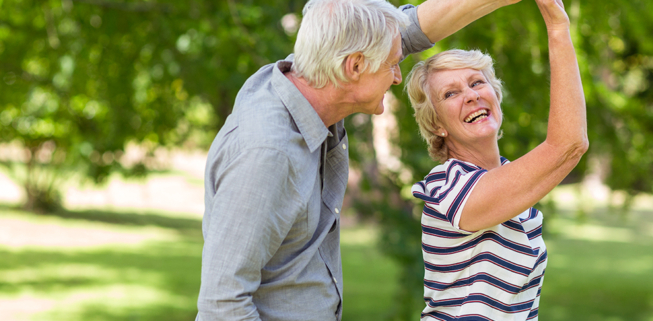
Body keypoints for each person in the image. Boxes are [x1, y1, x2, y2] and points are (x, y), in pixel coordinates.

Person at [196, 0, 522, 320]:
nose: (397, 77)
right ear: (354, 67)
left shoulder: (315, 72)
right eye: (392, 65)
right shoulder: (268, 154)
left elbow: (408, 31)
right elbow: (222, 305)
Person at [405, 0, 587, 319]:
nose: (471, 95)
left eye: (477, 83)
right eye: (450, 94)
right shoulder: (447, 187)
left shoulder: (512, 182)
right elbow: (568, 145)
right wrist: (558, 28)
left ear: (496, 96)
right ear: (436, 124)